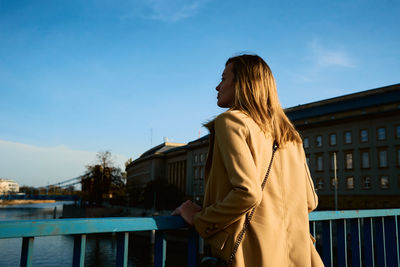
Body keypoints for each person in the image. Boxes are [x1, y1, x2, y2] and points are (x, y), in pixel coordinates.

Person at [172, 54, 324, 266]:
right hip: (298, 257)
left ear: (241, 83)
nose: (217, 86)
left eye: (223, 79)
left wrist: (200, 219)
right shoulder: (290, 134)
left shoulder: (231, 121)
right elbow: (310, 201)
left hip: (255, 255)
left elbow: (248, 193)